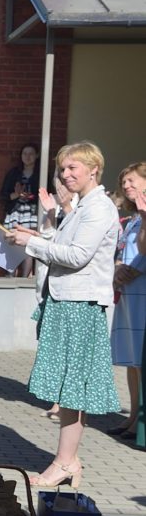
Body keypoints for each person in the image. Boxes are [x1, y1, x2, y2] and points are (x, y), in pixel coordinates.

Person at [10, 141, 121, 487]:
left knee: (73, 390)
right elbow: (61, 246)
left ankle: (66, 462)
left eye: (73, 167)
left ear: (94, 169)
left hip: (80, 305)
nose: (66, 174)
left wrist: (31, 243)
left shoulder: (99, 207)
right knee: (66, 388)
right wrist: (33, 235)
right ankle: (67, 460)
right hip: (66, 301)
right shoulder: (81, 206)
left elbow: (76, 256)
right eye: (62, 169)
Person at [108, 163, 146, 438]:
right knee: (133, 362)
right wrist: (118, 267)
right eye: (123, 182)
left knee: (141, 360)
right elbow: (124, 250)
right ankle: (132, 416)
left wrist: (132, 270)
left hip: (141, 290)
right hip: (128, 293)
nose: (126, 186)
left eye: (131, 180)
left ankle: (139, 423)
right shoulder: (133, 218)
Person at [2, 143, 41, 277]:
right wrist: (16, 194)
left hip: (32, 213)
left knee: (28, 244)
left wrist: (29, 196)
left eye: (31, 154)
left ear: (37, 155)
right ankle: (10, 275)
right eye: (25, 154)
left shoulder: (41, 173)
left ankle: (24, 277)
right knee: (11, 242)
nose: (27, 157)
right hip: (15, 212)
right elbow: (4, 194)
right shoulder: (14, 173)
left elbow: (46, 193)